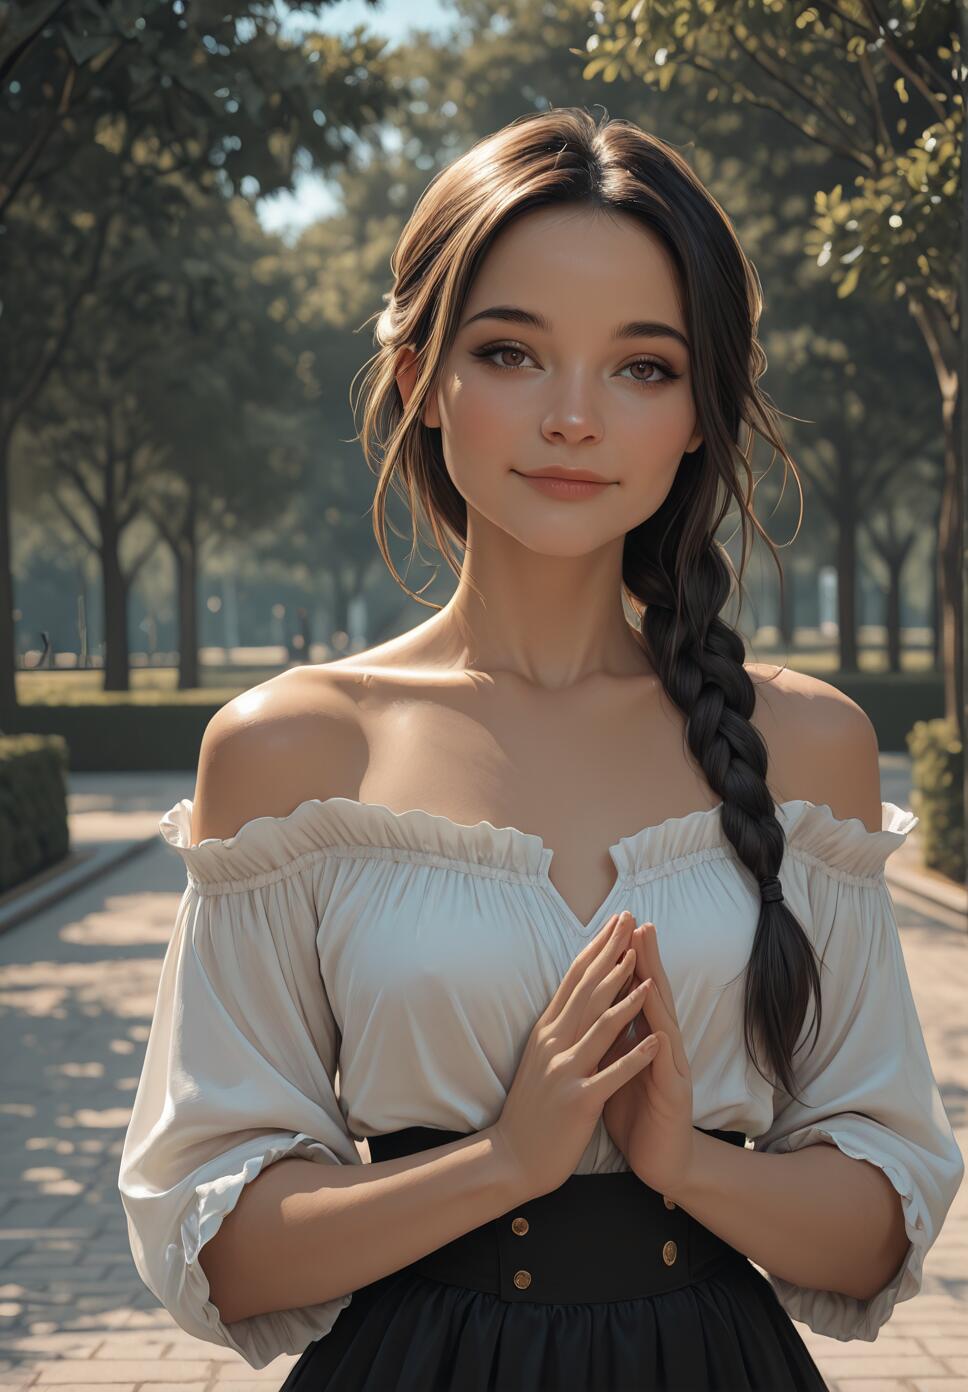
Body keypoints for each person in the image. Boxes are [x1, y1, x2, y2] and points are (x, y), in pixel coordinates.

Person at [117, 107, 964, 1390]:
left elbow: (873, 1237)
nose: (573, 417)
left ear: (698, 412)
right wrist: (508, 1161)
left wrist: (684, 1162)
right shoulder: (290, 751)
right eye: (512, 352)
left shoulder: (805, 745)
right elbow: (222, 1249)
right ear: (419, 377)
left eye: (641, 367)